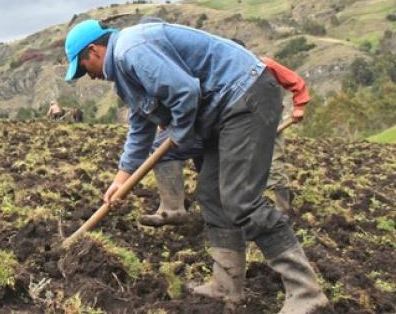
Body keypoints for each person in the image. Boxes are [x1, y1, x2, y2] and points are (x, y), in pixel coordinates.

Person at [63, 19, 327, 313]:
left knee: (241, 200)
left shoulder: (131, 50)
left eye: (84, 68)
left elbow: (184, 92)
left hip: (245, 96)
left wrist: (179, 132)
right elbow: (140, 124)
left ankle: (307, 294)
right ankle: (227, 285)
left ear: (94, 51)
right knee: (212, 194)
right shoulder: (125, 70)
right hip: (221, 111)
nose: (89, 76)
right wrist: (121, 178)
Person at [139, 50, 310, 226]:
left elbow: (295, 81)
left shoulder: (262, 63)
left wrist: (300, 107)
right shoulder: (215, 69)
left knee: (273, 161)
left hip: (268, 114)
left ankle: (282, 209)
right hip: (233, 117)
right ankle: (218, 206)